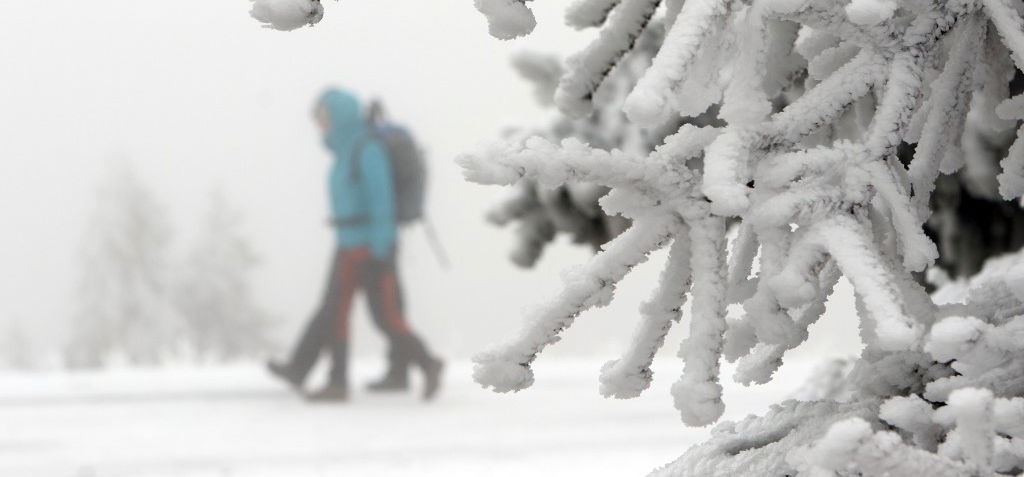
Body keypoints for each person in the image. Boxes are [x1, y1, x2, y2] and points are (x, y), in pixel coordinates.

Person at [268, 88, 443, 402]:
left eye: (323, 117)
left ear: (340, 116)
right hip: (348, 244)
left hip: (369, 246)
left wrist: (380, 248)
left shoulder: (366, 148)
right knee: (337, 311)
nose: (320, 125)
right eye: (318, 119)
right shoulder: (346, 150)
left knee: (384, 316)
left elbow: (382, 200)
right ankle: (334, 380)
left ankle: (427, 364)